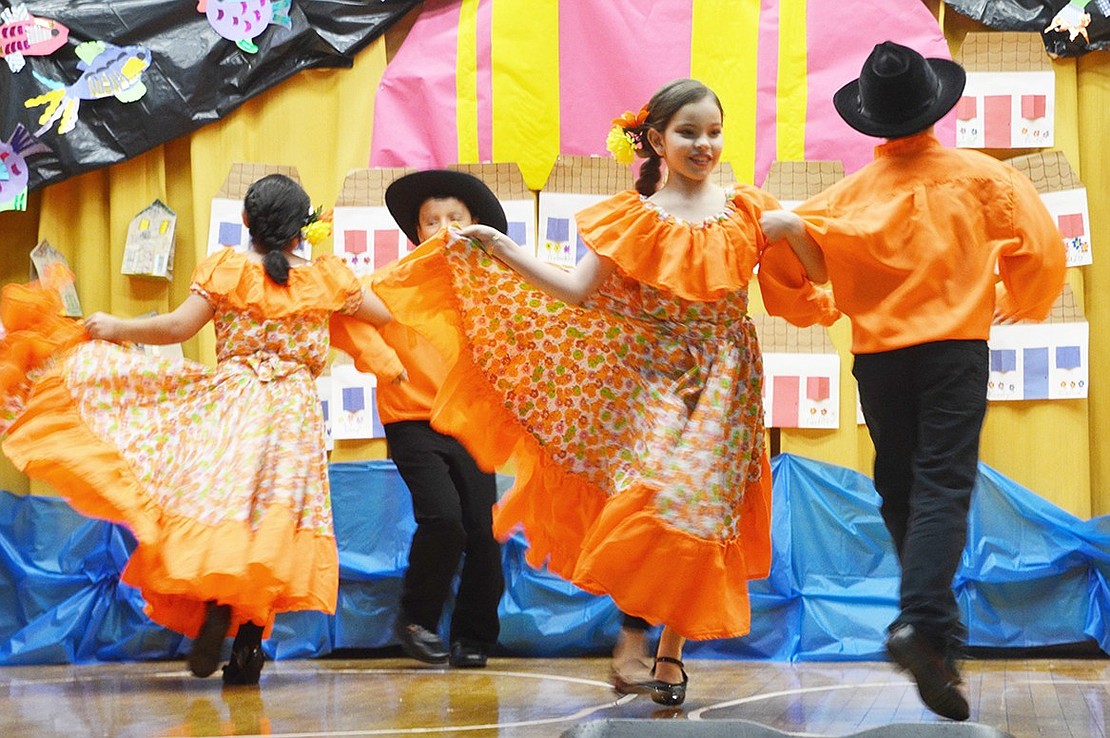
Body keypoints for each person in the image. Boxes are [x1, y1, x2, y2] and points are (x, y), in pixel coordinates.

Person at [370, 78, 838, 705]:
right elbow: (574, 292)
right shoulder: (631, 219)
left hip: (729, 383)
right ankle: (633, 634)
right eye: (688, 132)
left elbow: (818, 269)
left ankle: (667, 654)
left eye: (714, 132)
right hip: (655, 382)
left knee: (705, 517)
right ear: (656, 140)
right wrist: (503, 247)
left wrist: (791, 226)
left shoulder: (750, 211)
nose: (704, 144)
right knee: (655, 502)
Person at [760, 42, 1066, 721]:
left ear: (871, 118)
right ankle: (925, 626)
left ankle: (937, 637)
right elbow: (1041, 247)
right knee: (943, 485)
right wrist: (1024, 294)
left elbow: (792, 260)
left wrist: (813, 297)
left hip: (880, 363)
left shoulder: (849, 197)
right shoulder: (984, 177)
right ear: (934, 107)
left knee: (898, 486)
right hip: (954, 354)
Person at [0, 174, 396, 685]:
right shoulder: (327, 279)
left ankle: (215, 604)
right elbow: (382, 314)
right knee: (273, 523)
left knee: (223, 508)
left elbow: (174, 329)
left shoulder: (226, 269)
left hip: (236, 404)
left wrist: (116, 327)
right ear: (305, 228)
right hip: (294, 416)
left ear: (246, 222)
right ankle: (249, 646)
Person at [330, 169, 506, 668]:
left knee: (483, 534)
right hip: (411, 418)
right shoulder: (393, 282)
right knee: (444, 519)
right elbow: (341, 306)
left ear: (476, 225)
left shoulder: (492, 289)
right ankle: (416, 620)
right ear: (417, 232)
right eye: (433, 221)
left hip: (472, 424)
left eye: (455, 218)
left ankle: (474, 636)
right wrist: (383, 361)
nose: (444, 227)